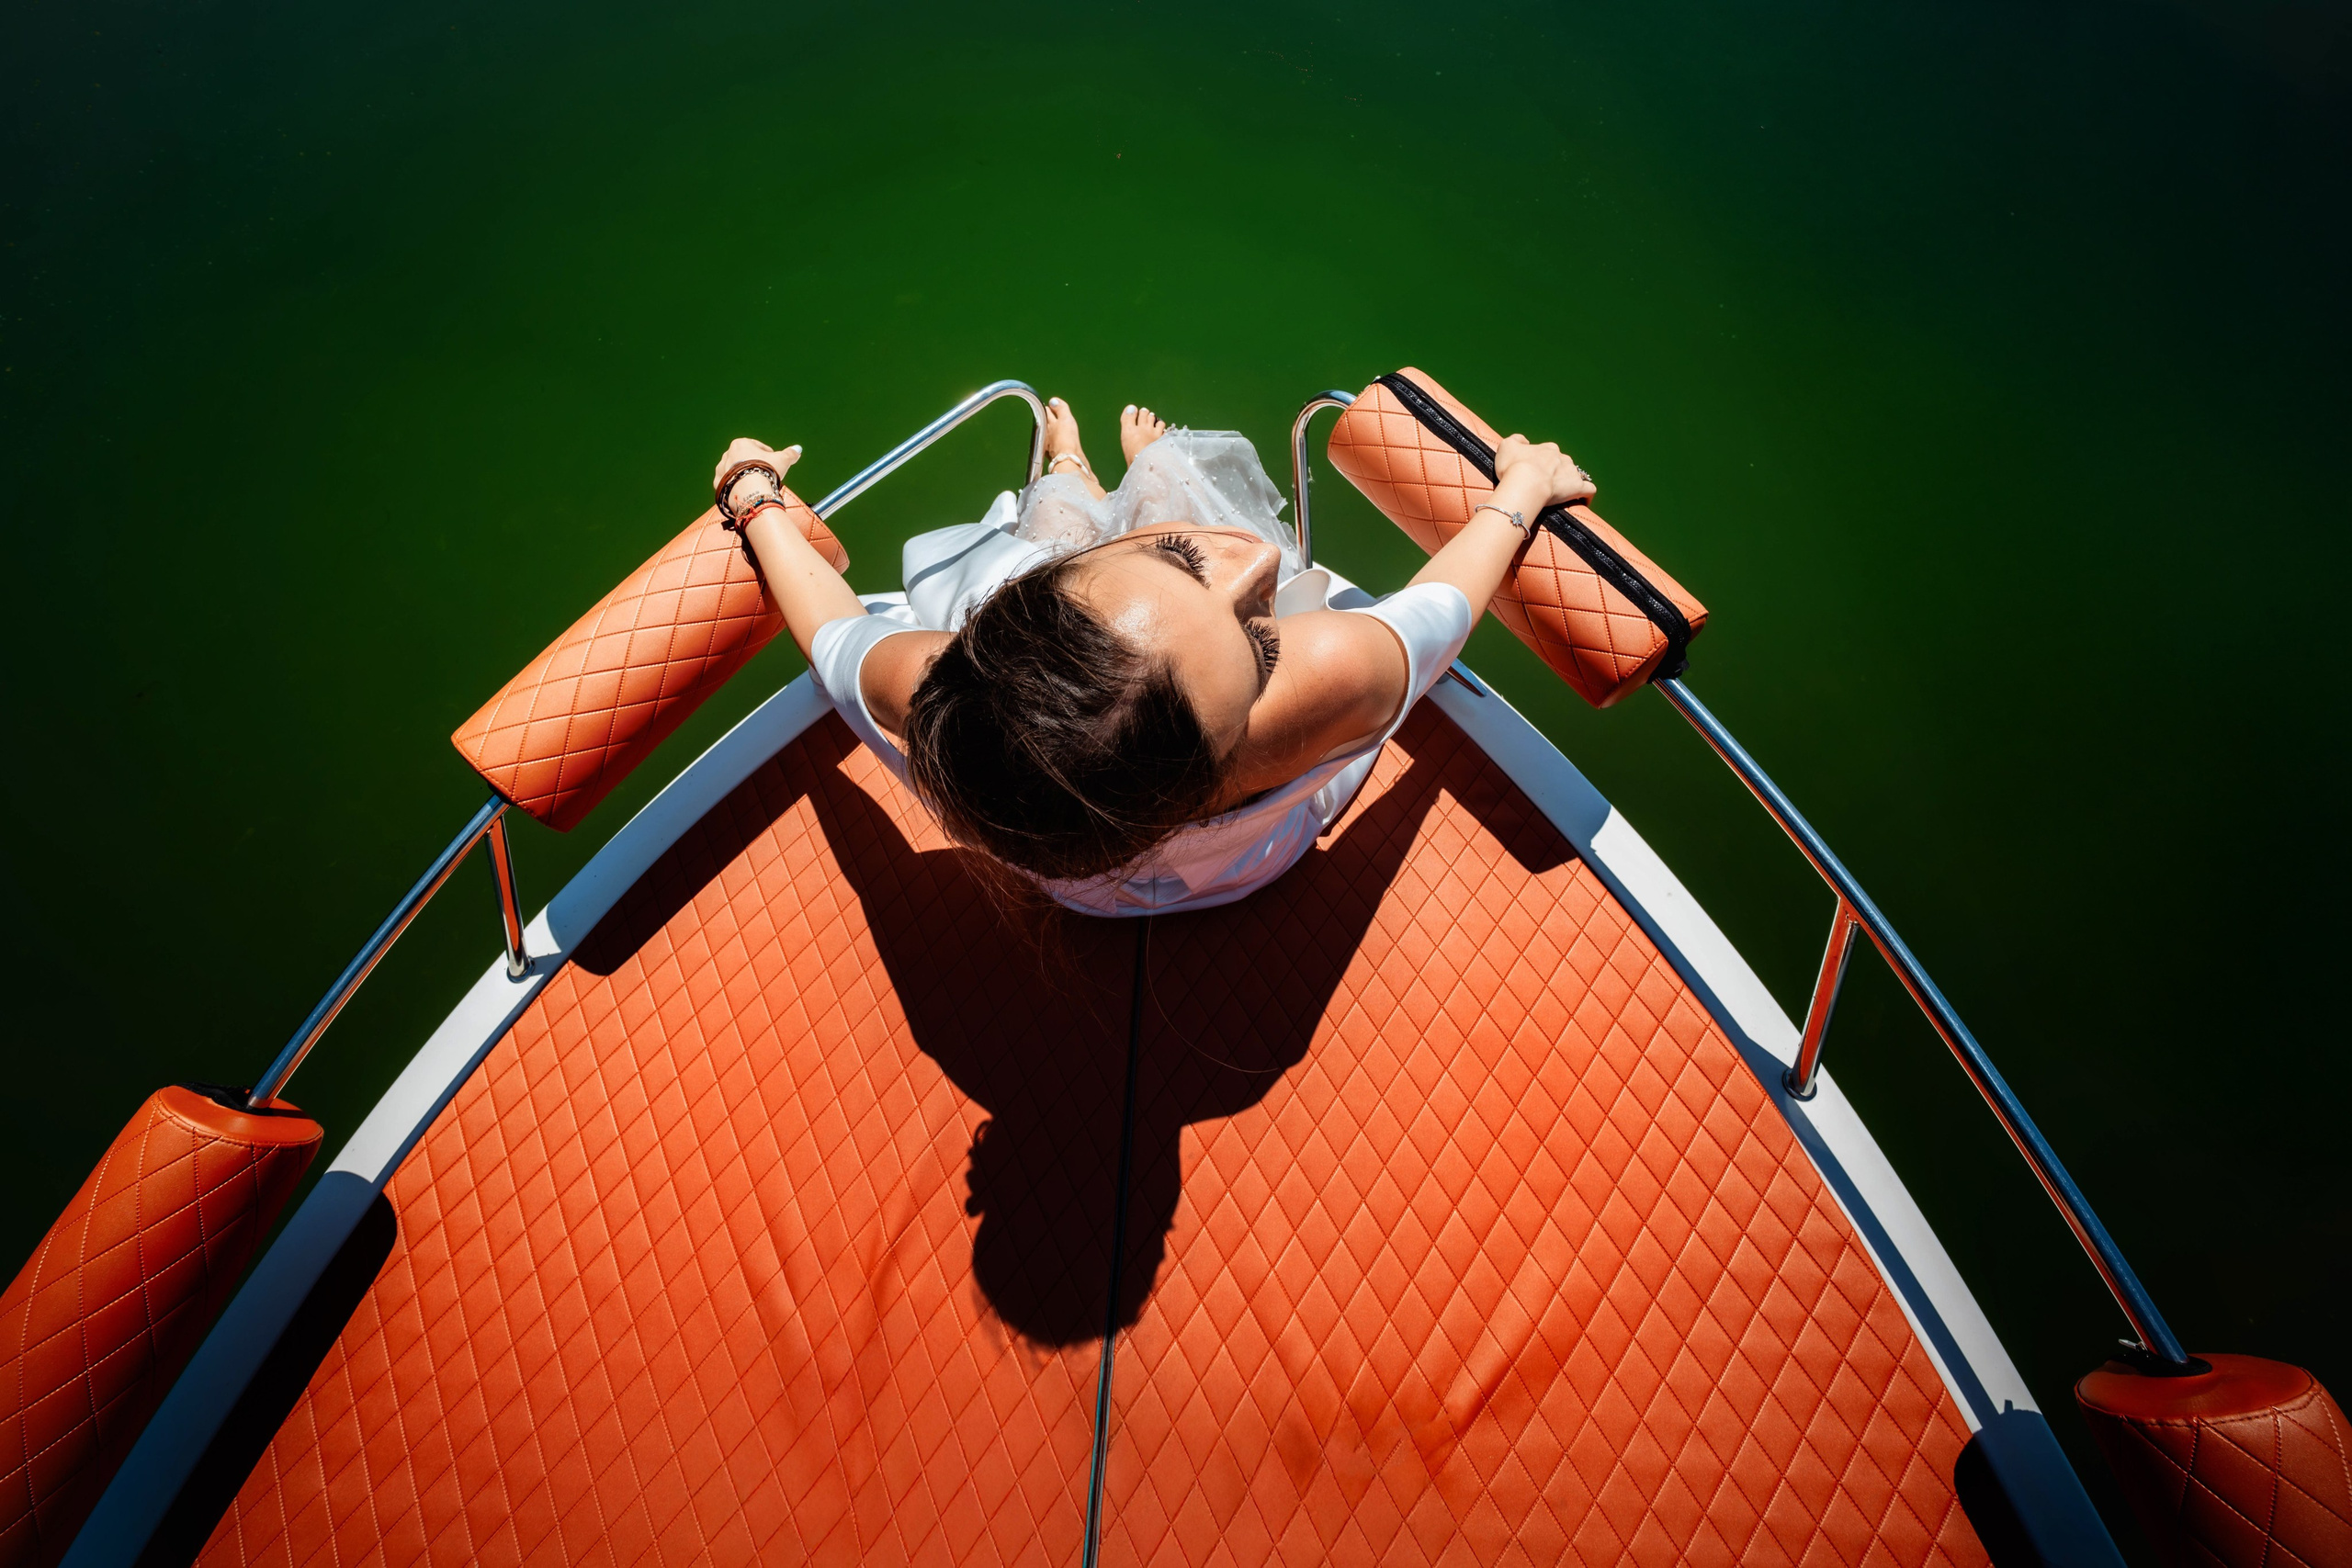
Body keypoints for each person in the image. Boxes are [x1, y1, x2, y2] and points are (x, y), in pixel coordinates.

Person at [713, 397, 1593, 916]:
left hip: (1076, 887)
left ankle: (1073, 475)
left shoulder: (964, 732)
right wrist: (1519, 492)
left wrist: (752, 495)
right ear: (1246, 723)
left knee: (1049, 540)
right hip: (1254, 865)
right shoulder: (1327, 681)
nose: (1258, 563)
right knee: (1161, 498)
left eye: (1176, 558)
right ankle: (1137, 480)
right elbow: (1436, 613)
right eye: (1261, 643)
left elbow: (834, 638)